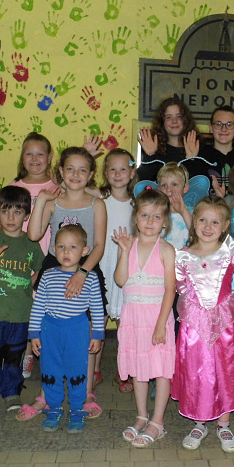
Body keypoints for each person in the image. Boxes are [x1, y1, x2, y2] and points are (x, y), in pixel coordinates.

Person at [172, 196, 234, 453]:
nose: (208, 226)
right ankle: (199, 421)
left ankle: (224, 424)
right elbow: (181, 289)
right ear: (194, 222)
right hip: (194, 325)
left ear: (225, 226)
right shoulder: (183, 256)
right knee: (197, 371)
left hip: (224, 323)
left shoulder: (230, 251)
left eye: (215, 222)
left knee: (226, 370)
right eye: (203, 220)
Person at [28, 146, 107, 419]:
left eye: (82, 170)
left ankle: (86, 392)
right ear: (61, 171)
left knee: (86, 331)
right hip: (54, 267)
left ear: (91, 174)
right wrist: (41, 200)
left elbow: (99, 245)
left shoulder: (97, 204)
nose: (75, 174)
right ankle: (45, 393)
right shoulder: (53, 202)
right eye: (70, 169)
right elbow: (34, 234)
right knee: (50, 329)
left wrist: (82, 272)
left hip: (86, 267)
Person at [113, 189, 176, 447]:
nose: (150, 221)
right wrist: (124, 252)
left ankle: (157, 422)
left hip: (157, 318)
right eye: (145, 215)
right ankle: (141, 416)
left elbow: (171, 289)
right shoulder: (129, 245)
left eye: (157, 217)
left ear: (165, 222)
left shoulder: (166, 249)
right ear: (135, 218)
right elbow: (120, 280)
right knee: (139, 369)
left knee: (161, 370)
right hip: (133, 318)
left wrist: (161, 325)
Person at [0, 185, 45, 415]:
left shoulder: (31, 243)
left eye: (17, 212)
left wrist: (28, 284)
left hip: (20, 314)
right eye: (5, 211)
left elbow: (42, 269)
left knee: (15, 357)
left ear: (26, 215)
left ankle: (12, 392)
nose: (11, 218)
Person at [28, 225, 105, 432]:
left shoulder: (90, 278)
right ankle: (53, 407)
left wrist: (97, 335)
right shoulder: (48, 275)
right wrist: (34, 334)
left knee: (77, 370)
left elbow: (97, 308)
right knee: (50, 369)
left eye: (73, 247)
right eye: (61, 247)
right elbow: (38, 306)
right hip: (50, 330)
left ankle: (77, 408)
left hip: (77, 330)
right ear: (54, 250)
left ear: (84, 251)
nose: (66, 252)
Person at [10, 132, 57, 380]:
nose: (35, 159)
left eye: (40, 154)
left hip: (50, 254)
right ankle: (26, 354)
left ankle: (48, 355)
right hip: (22, 256)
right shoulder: (14, 188)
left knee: (47, 306)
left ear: (49, 158)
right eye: (29, 154)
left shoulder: (57, 187)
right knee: (26, 306)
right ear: (22, 157)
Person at [97, 148, 137, 394]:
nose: (118, 173)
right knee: (97, 323)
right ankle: (94, 369)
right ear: (105, 173)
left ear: (132, 173)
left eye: (123, 169)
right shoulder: (99, 200)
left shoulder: (137, 203)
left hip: (126, 267)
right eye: (112, 169)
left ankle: (126, 371)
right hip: (102, 265)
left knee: (126, 325)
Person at [137, 98, 204, 181]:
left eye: (179, 116)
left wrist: (191, 159)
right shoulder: (154, 147)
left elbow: (201, 183)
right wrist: (150, 156)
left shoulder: (197, 147)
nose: (174, 121)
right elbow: (140, 182)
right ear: (162, 122)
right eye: (168, 117)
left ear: (185, 120)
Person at [196, 105, 234, 194]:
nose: (224, 129)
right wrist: (190, 159)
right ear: (211, 128)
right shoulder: (199, 157)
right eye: (218, 124)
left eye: (229, 124)